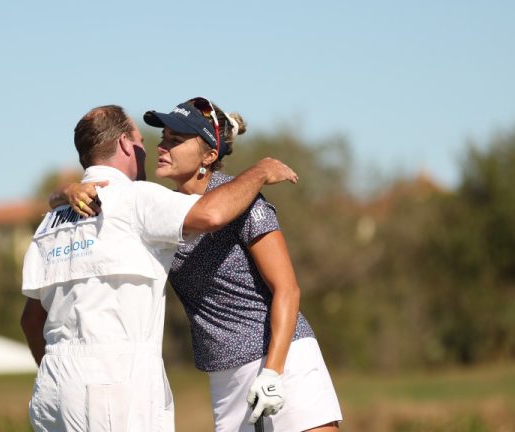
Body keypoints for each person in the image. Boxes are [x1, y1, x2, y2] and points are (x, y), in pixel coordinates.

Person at [63, 98, 342, 432]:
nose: (162, 147)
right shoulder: (159, 208)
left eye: (176, 141)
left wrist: (273, 373)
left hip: (282, 360)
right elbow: (106, 196)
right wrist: (68, 190)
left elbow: (287, 289)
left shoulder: (242, 198)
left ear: (209, 156)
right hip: (224, 377)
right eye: (164, 138)